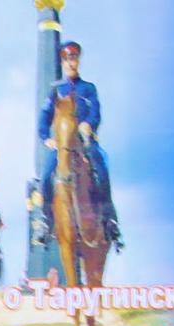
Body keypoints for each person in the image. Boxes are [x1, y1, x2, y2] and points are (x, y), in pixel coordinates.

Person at [36, 40, 123, 249]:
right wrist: (46, 138)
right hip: (62, 146)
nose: (70, 63)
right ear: (63, 62)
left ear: (78, 61)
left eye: (73, 58)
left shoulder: (89, 89)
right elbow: (44, 118)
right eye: (66, 59)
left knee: (102, 170)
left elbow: (96, 113)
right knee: (46, 177)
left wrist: (88, 124)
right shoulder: (56, 91)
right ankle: (46, 222)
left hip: (85, 143)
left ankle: (109, 220)